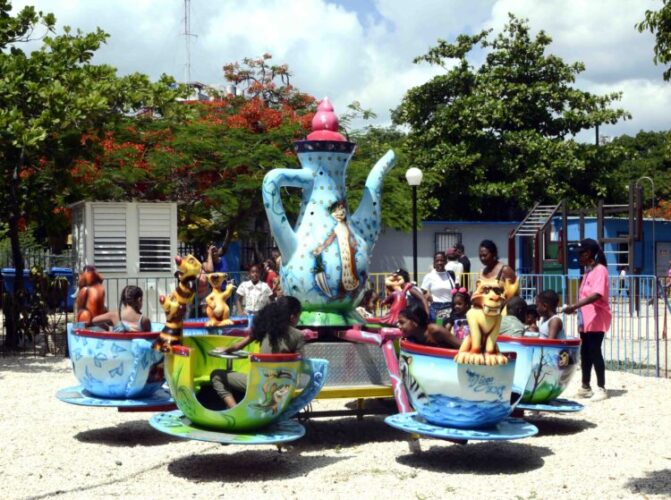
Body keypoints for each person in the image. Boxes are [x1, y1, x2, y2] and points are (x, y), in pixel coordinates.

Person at [210, 296, 305, 409]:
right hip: (282, 388)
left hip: (259, 384)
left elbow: (238, 346)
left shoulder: (264, 329)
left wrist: (225, 349)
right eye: (299, 316)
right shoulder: (298, 335)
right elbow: (301, 365)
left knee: (216, 375)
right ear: (292, 317)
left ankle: (234, 409)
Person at [563, 238, 611, 401]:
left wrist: (574, 306)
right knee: (585, 351)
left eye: (581, 254)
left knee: (594, 350)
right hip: (586, 319)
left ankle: (601, 387)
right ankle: (585, 386)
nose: (579, 257)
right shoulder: (588, 271)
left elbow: (596, 295)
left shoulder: (600, 270)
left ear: (589, 253)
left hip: (597, 318)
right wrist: (576, 310)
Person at [420, 252, 457, 322]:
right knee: (439, 326)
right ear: (434, 263)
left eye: (442, 260)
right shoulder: (429, 276)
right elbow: (422, 292)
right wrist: (428, 297)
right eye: (437, 261)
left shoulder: (450, 275)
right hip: (437, 308)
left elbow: (455, 290)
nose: (439, 263)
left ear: (445, 262)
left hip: (450, 307)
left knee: (448, 327)